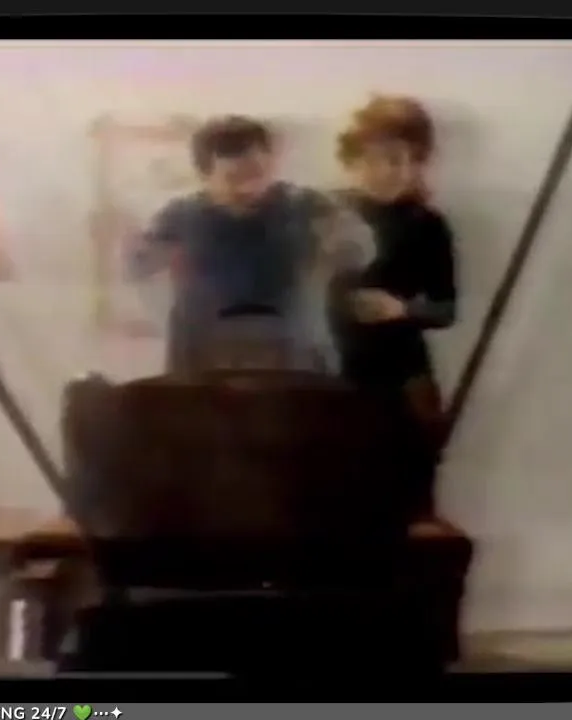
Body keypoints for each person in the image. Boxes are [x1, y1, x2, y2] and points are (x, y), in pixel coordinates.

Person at [125, 115, 376, 374]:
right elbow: (137, 264)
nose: (248, 188)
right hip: (204, 358)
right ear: (204, 175)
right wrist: (145, 253)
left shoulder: (308, 206)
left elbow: (360, 248)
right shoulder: (180, 216)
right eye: (233, 178)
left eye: (257, 174)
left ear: (272, 163)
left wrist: (344, 244)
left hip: (295, 357)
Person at [327, 95, 460, 513]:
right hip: (328, 375)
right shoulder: (319, 215)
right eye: (385, 159)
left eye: (409, 161)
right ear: (354, 159)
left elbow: (446, 309)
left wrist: (401, 310)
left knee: (408, 498)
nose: (399, 172)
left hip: (403, 380)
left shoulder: (428, 224)